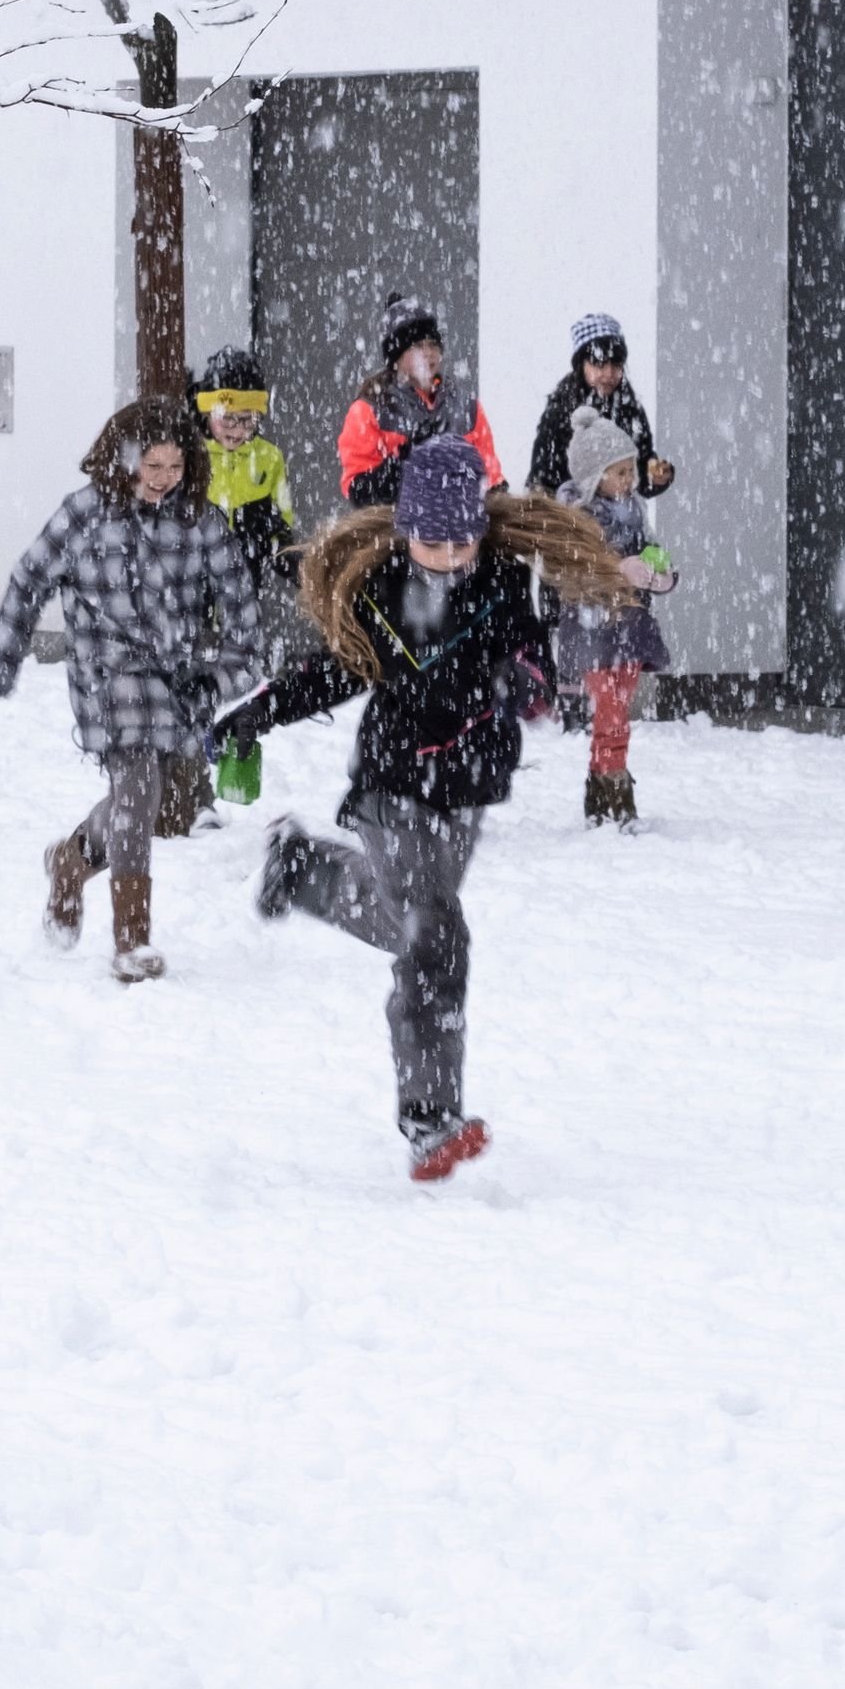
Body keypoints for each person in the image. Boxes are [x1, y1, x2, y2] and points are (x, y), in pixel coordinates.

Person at [218, 444, 638, 1182]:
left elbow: (535, 660)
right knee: (438, 938)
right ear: (407, 530)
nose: (448, 557)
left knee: (408, 923)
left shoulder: (506, 581)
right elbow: (332, 671)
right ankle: (430, 1116)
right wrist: (256, 713)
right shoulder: (380, 589)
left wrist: (525, 684)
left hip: (467, 788)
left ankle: (305, 868)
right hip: (392, 785)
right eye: (432, 542)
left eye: (462, 541)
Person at [0, 396, 263, 984]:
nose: (163, 481)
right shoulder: (84, 514)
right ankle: (132, 941)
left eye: (175, 468)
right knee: (140, 784)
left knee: (142, 802)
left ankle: (70, 863)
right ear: (124, 461)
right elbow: (28, 580)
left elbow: (246, 626)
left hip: (173, 676)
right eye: (151, 468)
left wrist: (218, 680)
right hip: (104, 670)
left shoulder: (199, 521)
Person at [556, 407, 676, 827]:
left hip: (630, 624)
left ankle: (598, 791)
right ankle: (617, 788)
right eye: (619, 472)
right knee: (611, 710)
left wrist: (660, 573)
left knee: (618, 704)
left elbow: (649, 548)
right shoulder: (577, 519)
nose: (629, 480)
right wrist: (617, 570)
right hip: (593, 626)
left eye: (630, 471)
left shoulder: (633, 509)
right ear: (594, 477)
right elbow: (574, 572)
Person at [191, 347, 299, 806]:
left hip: (242, 589)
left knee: (237, 673)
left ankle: (227, 743)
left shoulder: (269, 460)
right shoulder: (192, 456)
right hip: (193, 591)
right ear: (208, 412)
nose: (235, 430)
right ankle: (192, 774)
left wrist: (288, 553)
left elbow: (281, 520)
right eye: (226, 418)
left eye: (246, 419)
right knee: (191, 675)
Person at [334, 293, 506, 512]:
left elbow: (492, 483)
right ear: (396, 356)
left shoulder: (467, 408)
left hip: (463, 535)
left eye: (433, 345)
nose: (428, 354)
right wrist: (407, 461)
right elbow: (359, 492)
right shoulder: (368, 410)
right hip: (394, 535)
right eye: (417, 346)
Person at [524, 312, 678, 499]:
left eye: (616, 365)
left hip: (619, 517)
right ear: (581, 365)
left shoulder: (629, 407)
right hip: (572, 516)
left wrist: (654, 476)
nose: (608, 374)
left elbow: (640, 464)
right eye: (599, 364)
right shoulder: (561, 408)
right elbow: (542, 477)